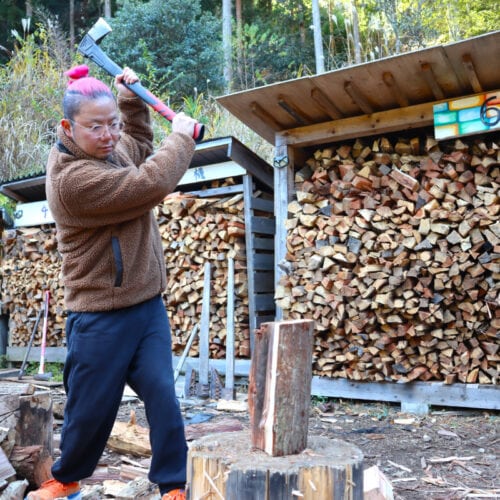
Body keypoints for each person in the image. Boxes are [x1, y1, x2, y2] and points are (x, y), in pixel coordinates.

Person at [27, 64, 197, 500]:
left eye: (112, 125)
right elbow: (149, 182)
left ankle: (173, 486)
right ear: (67, 127)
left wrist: (132, 102)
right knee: (90, 409)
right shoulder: (72, 181)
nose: (108, 135)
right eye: (96, 126)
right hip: (99, 314)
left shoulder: (108, 150)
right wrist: (180, 136)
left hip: (146, 305)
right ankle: (65, 479)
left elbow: (138, 148)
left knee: (163, 395)